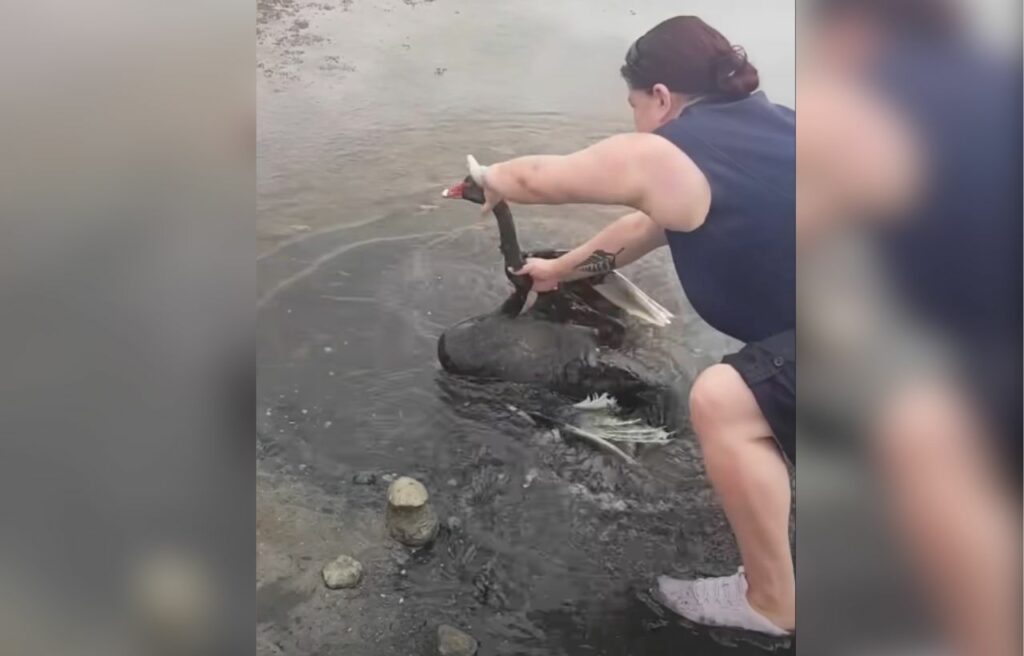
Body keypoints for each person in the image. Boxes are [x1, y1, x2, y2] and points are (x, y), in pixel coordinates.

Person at [461, 16, 795, 635]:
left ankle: (770, 601)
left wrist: (487, 179)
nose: (638, 119)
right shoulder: (777, 125)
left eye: (635, 105)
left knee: (723, 401)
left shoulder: (673, 149)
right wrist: (558, 271)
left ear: (660, 96)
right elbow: (647, 226)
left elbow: (539, 178)